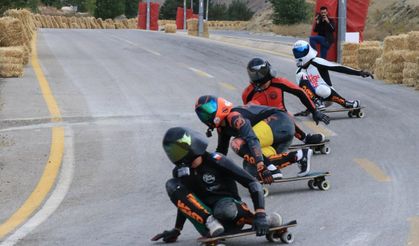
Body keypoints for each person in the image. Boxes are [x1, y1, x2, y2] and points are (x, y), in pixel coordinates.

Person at [152, 127, 282, 243]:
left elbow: (252, 182)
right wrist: (177, 229)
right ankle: (211, 223)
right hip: (208, 224)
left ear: (192, 147)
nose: (176, 156)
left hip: (230, 212)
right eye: (173, 152)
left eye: (178, 151)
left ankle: (262, 220)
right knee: (172, 185)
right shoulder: (181, 172)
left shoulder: (216, 160)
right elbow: (186, 202)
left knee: (223, 210)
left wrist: (260, 213)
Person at [194, 96, 326, 180]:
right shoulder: (222, 127)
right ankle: (298, 156)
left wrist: (262, 165)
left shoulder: (234, 116)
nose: (207, 115)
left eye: (210, 108)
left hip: (280, 122)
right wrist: (205, 168)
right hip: (278, 139)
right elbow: (221, 153)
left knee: (238, 143)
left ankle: (271, 168)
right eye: (203, 114)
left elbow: (252, 139)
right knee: (249, 167)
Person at [242, 58, 330, 145]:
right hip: (262, 123)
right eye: (255, 75)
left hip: (282, 119)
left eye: (265, 84)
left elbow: (300, 92)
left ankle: (305, 138)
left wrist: (314, 111)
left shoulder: (279, 83)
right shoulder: (247, 94)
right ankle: (256, 141)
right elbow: (249, 115)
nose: (263, 87)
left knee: (286, 115)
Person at [292, 40, 373, 110]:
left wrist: (359, 72)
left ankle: (346, 103)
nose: (299, 54)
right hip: (315, 99)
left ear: (308, 51)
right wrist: (309, 107)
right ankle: (315, 103)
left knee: (321, 89)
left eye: (301, 51)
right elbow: (302, 92)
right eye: (297, 52)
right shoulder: (299, 71)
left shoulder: (317, 61)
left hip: (327, 94)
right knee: (300, 75)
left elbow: (337, 67)